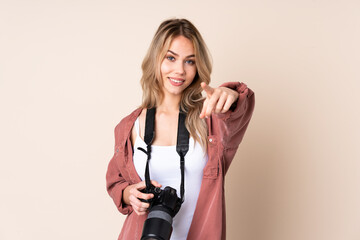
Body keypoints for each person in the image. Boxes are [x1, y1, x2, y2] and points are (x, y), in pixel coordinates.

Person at [106, 18, 255, 240]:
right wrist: (129, 194)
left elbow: (239, 108)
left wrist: (231, 96)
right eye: (171, 58)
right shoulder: (129, 127)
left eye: (190, 61)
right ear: (155, 59)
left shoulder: (211, 120)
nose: (179, 70)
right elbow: (116, 181)